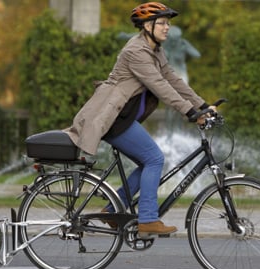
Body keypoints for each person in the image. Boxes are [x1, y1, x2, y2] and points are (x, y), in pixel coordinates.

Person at [65, 2, 215, 238]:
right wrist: (189, 112)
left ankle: (112, 210)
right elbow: (160, 86)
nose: (168, 27)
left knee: (150, 162)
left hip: (122, 117)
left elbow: (173, 80)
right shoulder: (136, 52)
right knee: (155, 159)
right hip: (113, 118)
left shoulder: (155, 50)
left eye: (168, 23)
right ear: (147, 25)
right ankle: (147, 219)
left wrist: (202, 105)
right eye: (163, 23)